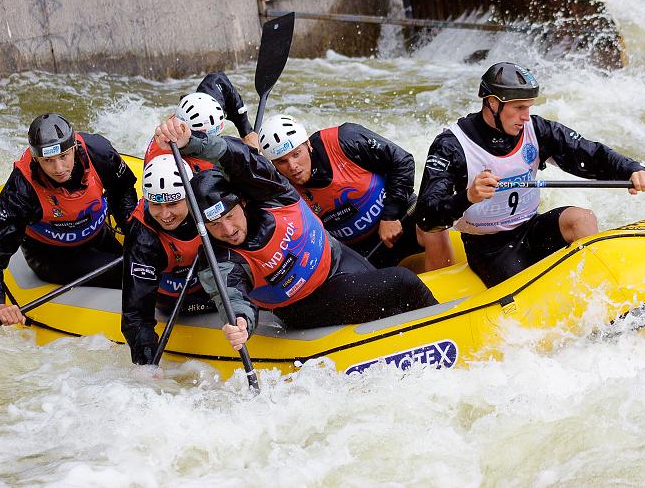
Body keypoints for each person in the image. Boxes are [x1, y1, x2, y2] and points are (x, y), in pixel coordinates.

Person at [152, 117, 438, 352]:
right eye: (214, 225)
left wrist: (191, 141)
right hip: (303, 304)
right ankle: (442, 332)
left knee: (391, 294)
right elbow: (231, 295)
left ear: (243, 202)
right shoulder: (218, 258)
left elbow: (236, 155)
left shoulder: (273, 191)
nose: (228, 230)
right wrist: (241, 322)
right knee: (404, 283)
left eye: (229, 216)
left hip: (337, 260)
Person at [416, 62, 645, 287]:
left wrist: (633, 170)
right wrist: (468, 196)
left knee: (582, 218)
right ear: (492, 103)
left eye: (529, 107)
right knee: (528, 283)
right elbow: (427, 215)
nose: (525, 116)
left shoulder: (536, 130)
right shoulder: (451, 145)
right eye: (519, 107)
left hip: (532, 228)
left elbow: (589, 153)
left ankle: (604, 289)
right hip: (490, 249)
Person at [0, 113, 137, 326]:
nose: (59, 169)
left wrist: (133, 230)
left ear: (73, 148)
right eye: (48, 161)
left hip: (98, 235)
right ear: (36, 159)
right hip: (52, 256)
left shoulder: (99, 151)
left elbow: (123, 188)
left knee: (142, 260)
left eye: (63, 157)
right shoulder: (21, 189)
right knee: (132, 273)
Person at [256, 114, 454, 271]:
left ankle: (445, 289)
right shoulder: (278, 188)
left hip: (399, 219)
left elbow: (403, 161)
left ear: (307, 144)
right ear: (273, 165)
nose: (293, 167)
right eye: (282, 161)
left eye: (296, 154)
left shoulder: (345, 139)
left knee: (433, 214)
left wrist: (390, 216)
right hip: (358, 251)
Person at [121, 155, 216, 365]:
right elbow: (136, 314)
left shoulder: (211, 201)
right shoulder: (143, 237)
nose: (165, 215)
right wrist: (147, 361)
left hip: (213, 281)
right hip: (177, 301)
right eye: (155, 204)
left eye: (173, 203)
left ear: (190, 196)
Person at [143, 72, 258, 171]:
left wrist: (247, 132)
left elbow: (218, 80)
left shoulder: (196, 108)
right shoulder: (168, 162)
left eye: (215, 136)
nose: (210, 142)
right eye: (206, 138)